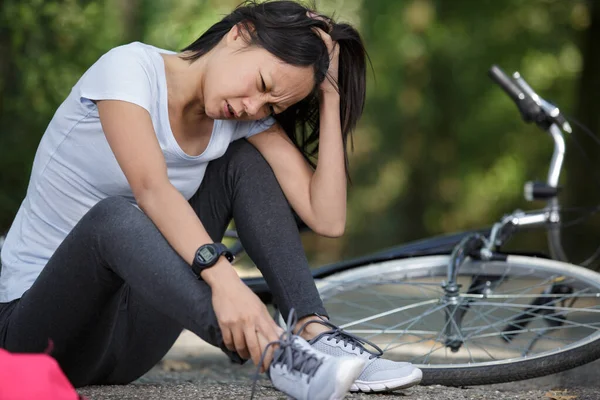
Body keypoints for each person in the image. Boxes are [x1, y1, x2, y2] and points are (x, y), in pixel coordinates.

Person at [0, 0, 422, 398]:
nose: (253, 107)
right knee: (114, 217)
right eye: (261, 84)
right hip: (37, 332)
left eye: (271, 104)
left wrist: (330, 94)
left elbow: (327, 218)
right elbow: (152, 190)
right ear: (241, 32)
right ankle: (277, 355)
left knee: (242, 160)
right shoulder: (128, 70)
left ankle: (316, 333)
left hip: (126, 346)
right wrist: (224, 281)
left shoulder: (236, 122)